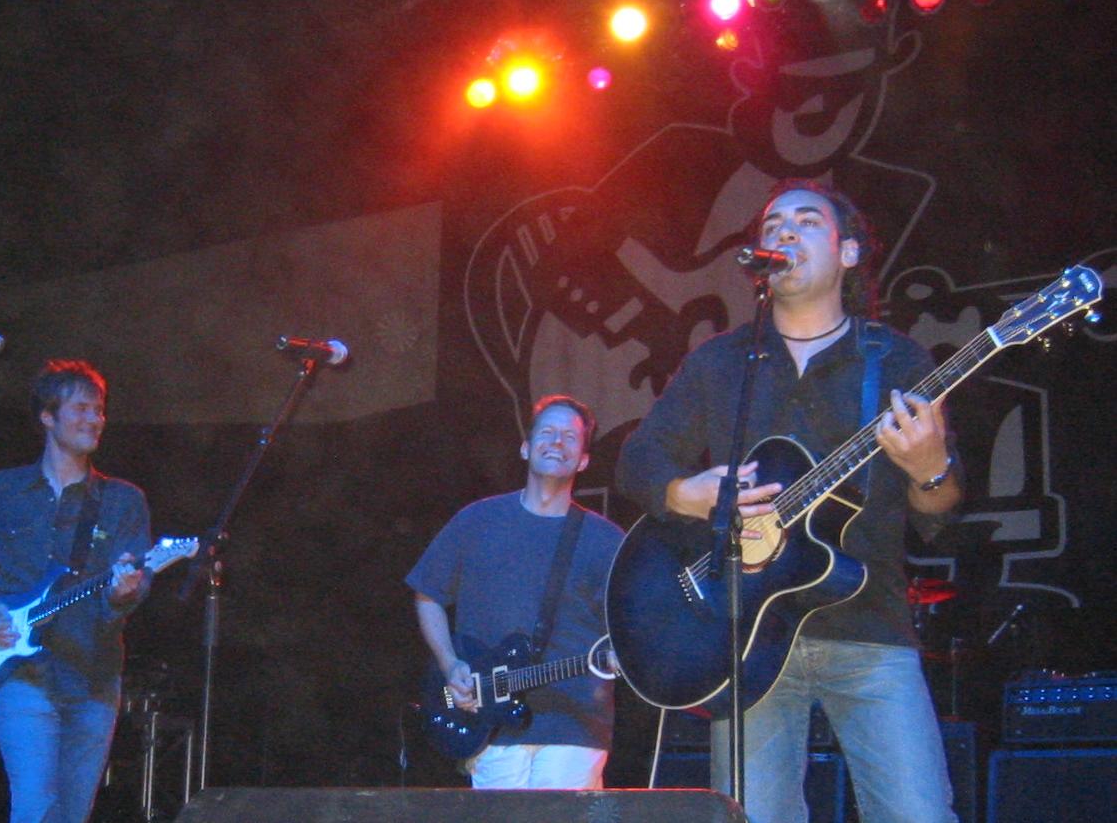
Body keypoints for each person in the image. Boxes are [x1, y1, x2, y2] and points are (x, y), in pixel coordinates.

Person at [615, 179, 963, 822]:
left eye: (805, 222)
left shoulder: (896, 361)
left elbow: (938, 515)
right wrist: (687, 494)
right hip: (743, 639)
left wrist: (929, 471)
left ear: (848, 253)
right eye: (773, 226)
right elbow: (639, 459)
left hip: (869, 626)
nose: (784, 233)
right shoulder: (721, 362)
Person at [0, 359, 151, 823]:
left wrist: (123, 591)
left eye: (99, 410)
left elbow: (130, 593)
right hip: (23, 676)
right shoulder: (2, 491)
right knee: (35, 810)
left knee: (72, 815)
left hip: (94, 678)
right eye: (81, 409)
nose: (94, 419)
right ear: (47, 416)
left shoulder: (122, 500)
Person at [406, 395, 625, 789]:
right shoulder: (477, 520)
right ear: (525, 448)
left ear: (583, 460)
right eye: (547, 432)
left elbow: (631, 627)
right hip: (489, 723)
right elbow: (428, 594)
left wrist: (626, 655)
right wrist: (450, 664)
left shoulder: (607, 540)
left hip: (573, 727)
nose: (556, 442)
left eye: (570, 437)